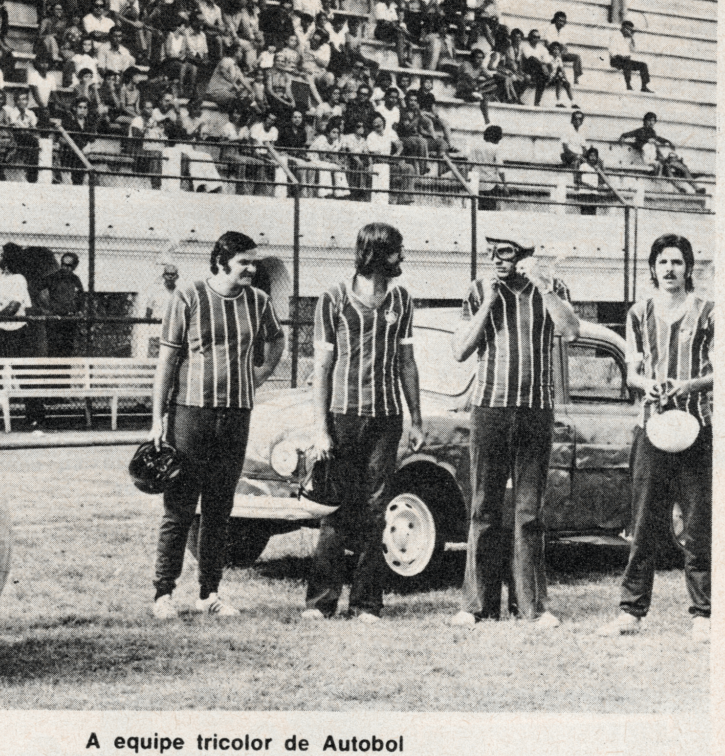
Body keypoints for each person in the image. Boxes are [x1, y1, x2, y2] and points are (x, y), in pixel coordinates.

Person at [148, 232, 285, 619]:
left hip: (237, 415)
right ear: (222, 260)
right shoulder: (188, 296)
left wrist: (259, 374)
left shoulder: (258, 301)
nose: (252, 269)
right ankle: (163, 594)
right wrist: (157, 419)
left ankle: (209, 593)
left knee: (219, 509)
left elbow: (277, 341)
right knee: (179, 507)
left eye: (254, 262)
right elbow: (166, 364)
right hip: (190, 414)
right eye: (244, 261)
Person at [450, 236, 579, 628]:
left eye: (503, 252)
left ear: (524, 256)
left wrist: (542, 285)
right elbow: (460, 349)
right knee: (484, 507)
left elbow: (570, 331)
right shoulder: (478, 290)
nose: (494, 260)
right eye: (490, 252)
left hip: (536, 410)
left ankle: (533, 607)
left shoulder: (552, 287)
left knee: (528, 512)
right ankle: (477, 606)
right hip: (489, 408)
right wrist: (488, 302)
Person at [302, 223, 425, 623]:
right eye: (396, 252)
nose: (402, 258)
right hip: (342, 418)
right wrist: (321, 429)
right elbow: (321, 368)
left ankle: (366, 603)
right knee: (336, 508)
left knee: (376, 510)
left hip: (386, 419)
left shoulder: (402, 301)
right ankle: (321, 603)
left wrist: (416, 419)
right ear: (375, 254)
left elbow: (407, 363)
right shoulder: (333, 300)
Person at [598, 234, 713, 642]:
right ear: (652, 267)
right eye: (662, 262)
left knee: (699, 522)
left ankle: (704, 613)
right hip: (653, 428)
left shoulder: (709, 312)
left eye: (677, 262)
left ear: (689, 268)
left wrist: (689, 385)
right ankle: (631, 611)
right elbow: (632, 372)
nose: (669, 269)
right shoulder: (638, 313)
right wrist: (648, 385)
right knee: (645, 521)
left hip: (697, 428)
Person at [0, 242, 44, 427]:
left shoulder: (19, 279)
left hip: (16, 332)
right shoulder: (2, 279)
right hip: (0, 330)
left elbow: (14, 307)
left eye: (3, 255)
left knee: (22, 374)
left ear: (9, 259)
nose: (0, 258)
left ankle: (35, 415)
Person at [39, 251, 85, 357]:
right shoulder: (52, 278)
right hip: (55, 320)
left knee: (67, 349)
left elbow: (80, 298)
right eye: (63, 264)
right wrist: (45, 310)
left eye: (69, 266)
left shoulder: (75, 279)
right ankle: (53, 373)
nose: (65, 268)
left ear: (74, 266)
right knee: (54, 349)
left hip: (69, 320)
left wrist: (79, 311)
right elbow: (37, 292)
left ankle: (65, 373)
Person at [133, 263, 180, 359]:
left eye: (173, 274)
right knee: (154, 361)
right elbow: (148, 312)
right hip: (157, 333)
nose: (170, 276)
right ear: (164, 276)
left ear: (177, 276)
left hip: (173, 334)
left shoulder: (180, 293)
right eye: (168, 274)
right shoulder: (156, 292)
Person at [609, 20, 652, 93]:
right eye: (627, 29)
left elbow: (633, 49)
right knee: (627, 63)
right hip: (616, 60)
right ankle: (628, 84)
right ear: (623, 28)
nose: (628, 31)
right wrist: (621, 57)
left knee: (643, 65)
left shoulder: (628, 38)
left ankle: (644, 86)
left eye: (630, 29)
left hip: (625, 60)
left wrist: (632, 38)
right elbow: (612, 51)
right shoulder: (615, 36)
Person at [542, 11, 582, 85]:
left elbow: (564, 46)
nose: (561, 23)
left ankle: (576, 77)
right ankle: (557, 76)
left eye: (563, 21)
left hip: (560, 53)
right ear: (555, 20)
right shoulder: (550, 28)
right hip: (551, 53)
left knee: (577, 57)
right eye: (560, 20)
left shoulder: (564, 30)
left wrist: (562, 52)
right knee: (558, 58)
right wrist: (556, 52)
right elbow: (547, 44)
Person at [521, 29, 553, 107]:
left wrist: (546, 67)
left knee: (542, 77)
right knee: (533, 59)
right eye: (534, 37)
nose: (536, 39)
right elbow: (530, 58)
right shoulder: (525, 47)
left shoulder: (541, 47)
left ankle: (537, 102)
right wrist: (542, 65)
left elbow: (548, 60)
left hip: (539, 71)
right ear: (530, 37)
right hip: (528, 69)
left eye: (538, 37)